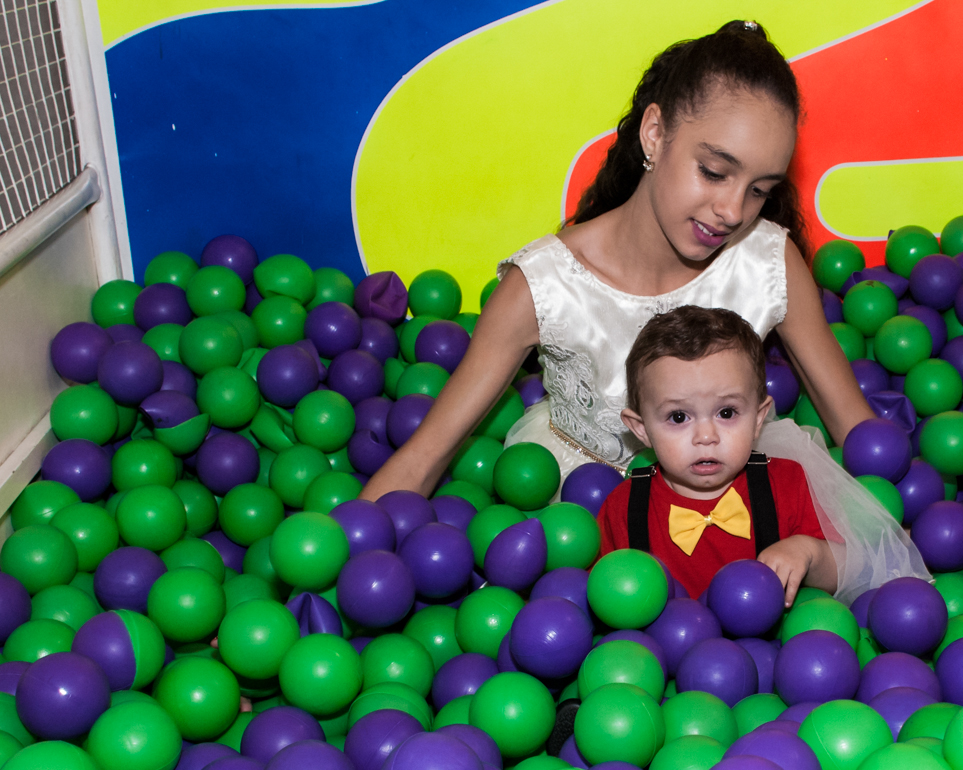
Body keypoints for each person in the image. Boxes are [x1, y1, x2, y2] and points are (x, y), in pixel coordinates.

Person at [363, 20, 928, 601]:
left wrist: (896, 531)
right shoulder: (546, 285)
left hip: (731, 501)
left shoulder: (767, 263)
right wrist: (330, 576)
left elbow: (856, 430)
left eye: (760, 188)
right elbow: (424, 456)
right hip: (577, 516)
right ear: (654, 135)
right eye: (713, 171)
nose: (733, 209)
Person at [596, 306, 835, 604]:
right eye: (679, 417)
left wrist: (807, 552)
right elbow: (600, 594)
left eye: (726, 412)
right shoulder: (625, 506)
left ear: (758, 418)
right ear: (641, 429)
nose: (706, 436)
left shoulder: (788, 484)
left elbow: (842, 572)